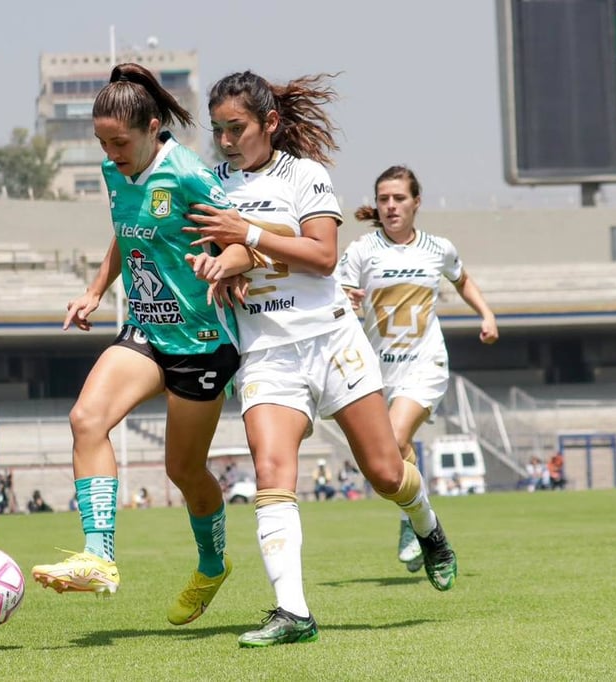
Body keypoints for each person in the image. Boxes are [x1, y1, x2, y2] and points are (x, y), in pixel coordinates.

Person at [184, 70, 458, 647]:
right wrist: (216, 265)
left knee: (385, 473)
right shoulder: (210, 185)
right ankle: (293, 613)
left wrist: (248, 235)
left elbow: (323, 255)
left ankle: (428, 528)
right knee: (271, 474)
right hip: (266, 353)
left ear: (270, 124)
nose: (227, 140)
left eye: (237, 128)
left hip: (333, 341)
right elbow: (215, 248)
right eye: (218, 130)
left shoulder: (305, 175)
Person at [31, 62, 241, 630]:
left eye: (119, 141)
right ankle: (99, 558)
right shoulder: (113, 172)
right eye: (101, 142)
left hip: (202, 340)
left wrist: (229, 266)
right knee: (86, 418)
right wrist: (96, 288)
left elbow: (244, 233)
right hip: (146, 330)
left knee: (184, 471)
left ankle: (212, 563)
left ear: (152, 128)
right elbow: (127, 233)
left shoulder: (193, 175)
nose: (110, 152)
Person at [337, 164, 499, 573]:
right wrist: (346, 299)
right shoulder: (361, 251)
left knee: (393, 438)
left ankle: (414, 523)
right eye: (384, 199)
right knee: (390, 456)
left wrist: (487, 314)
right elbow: (336, 294)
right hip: (377, 371)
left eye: (399, 198)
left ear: (416, 202)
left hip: (425, 366)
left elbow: (462, 280)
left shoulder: (437, 248)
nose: (390, 206)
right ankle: (415, 513)